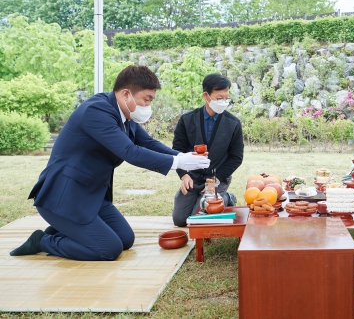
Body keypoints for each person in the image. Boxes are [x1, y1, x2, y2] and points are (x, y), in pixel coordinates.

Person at [10, 66, 210, 261]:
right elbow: (130, 152)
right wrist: (178, 162)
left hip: (92, 195)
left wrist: (184, 157)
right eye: (146, 100)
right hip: (63, 198)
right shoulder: (96, 111)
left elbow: (148, 143)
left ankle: (66, 230)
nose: (148, 106)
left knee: (125, 239)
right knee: (108, 249)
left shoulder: (125, 115)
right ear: (126, 94)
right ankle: (43, 241)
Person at [172, 73, 244, 227]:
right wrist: (183, 175)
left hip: (217, 178)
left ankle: (227, 197)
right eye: (219, 98)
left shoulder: (233, 123)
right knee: (180, 220)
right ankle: (205, 197)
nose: (223, 102)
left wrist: (216, 179)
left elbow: (236, 157)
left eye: (226, 98)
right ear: (206, 96)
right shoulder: (187, 120)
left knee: (199, 218)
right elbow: (177, 150)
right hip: (192, 177)